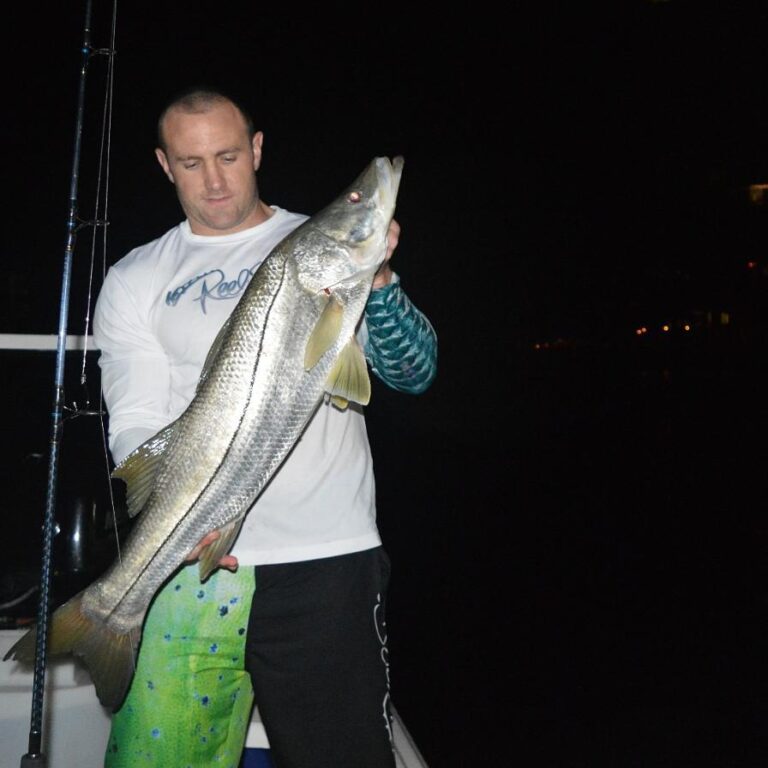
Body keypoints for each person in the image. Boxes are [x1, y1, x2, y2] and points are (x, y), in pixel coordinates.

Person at [92, 86, 437, 768]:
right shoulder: (135, 277)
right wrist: (182, 517)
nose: (213, 179)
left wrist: (382, 277)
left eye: (227, 154)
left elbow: (414, 372)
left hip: (325, 560)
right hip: (195, 573)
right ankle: (108, 617)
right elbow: (136, 421)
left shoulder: (317, 246)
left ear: (256, 148)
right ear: (165, 165)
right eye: (191, 163)